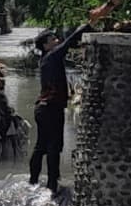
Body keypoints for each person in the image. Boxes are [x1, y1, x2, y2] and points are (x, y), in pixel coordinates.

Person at [30, 26, 90, 194]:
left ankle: (33, 181)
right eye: (53, 40)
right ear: (45, 45)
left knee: (41, 146)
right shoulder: (52, 56)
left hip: (42, 108)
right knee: (53, 147)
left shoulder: (45, 59)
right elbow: (69, 41)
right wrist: (88, 25)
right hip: (51, 109)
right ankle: (52, 185)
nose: (57, 41)